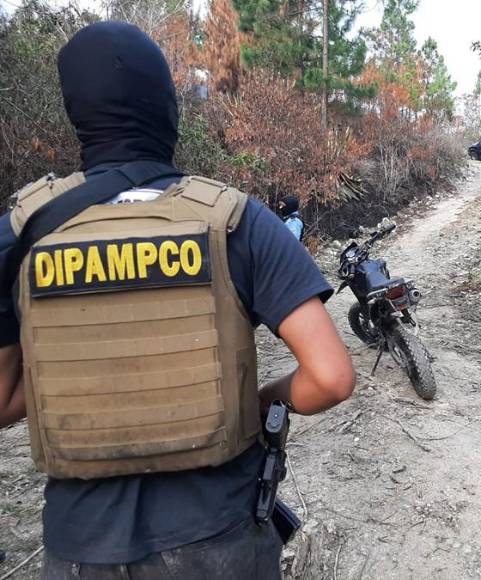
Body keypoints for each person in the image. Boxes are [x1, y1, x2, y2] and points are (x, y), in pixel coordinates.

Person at [0, 21, 355, 580]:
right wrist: (257, 401)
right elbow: (331, 377)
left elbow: (4, 401)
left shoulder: (20, 235)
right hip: (216, 537)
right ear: (168, 108)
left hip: (79, 545)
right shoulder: (237, 220)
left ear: (78, 115)